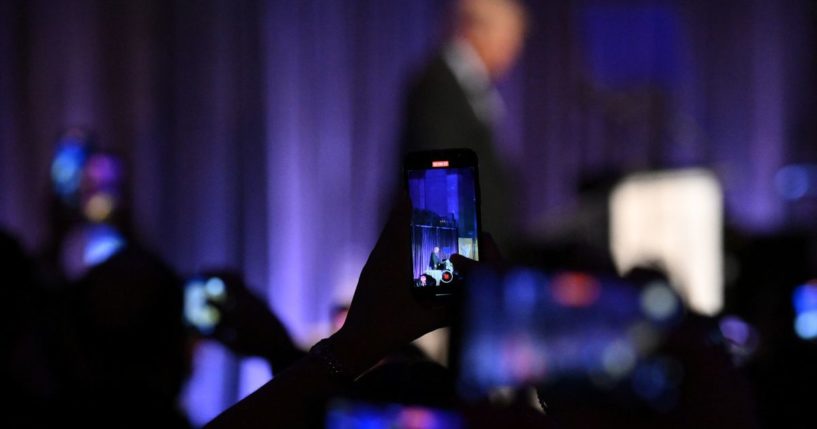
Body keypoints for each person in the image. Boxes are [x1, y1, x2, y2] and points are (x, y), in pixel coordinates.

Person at [401, 0, 527, 254]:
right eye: (510, 40)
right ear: (478, 31)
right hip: (450, 257)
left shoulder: (468, 86)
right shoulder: (439, 86)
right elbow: (439, 182)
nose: (513, 53)